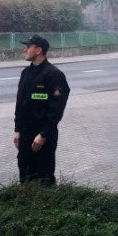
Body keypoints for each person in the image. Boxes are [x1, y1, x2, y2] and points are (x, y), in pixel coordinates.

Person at [13, 34, 70, 185]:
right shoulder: (25, 73)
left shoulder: (54, 75)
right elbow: (20, 104)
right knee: (25, 175)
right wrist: (17, 129)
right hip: (25, 134)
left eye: (28, 47)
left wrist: (43, 134)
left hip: (43, 137)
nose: (25, 50)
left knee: (44, 177)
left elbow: (56, 110)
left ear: (38, 50)